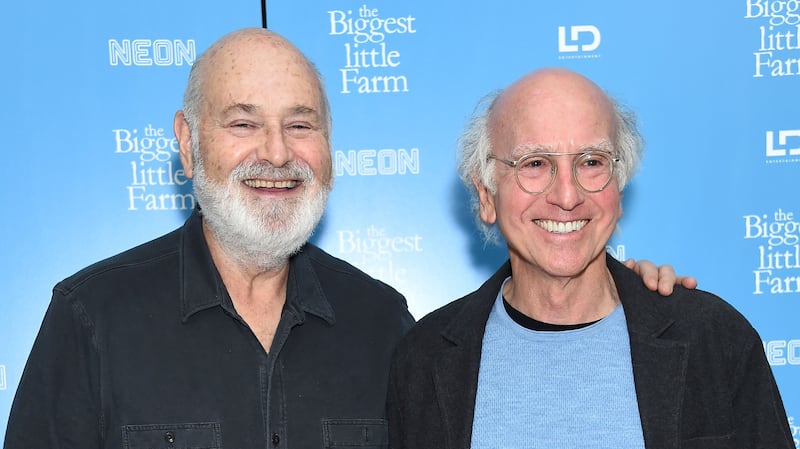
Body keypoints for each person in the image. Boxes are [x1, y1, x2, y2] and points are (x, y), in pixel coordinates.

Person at [4, 29, 691, 449]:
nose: (277, 153)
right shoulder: (92, 318)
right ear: (187, 144)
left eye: (301, 125)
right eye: (243, 123)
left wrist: (628, 292)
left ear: (330, 146)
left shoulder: (386, 326)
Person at [386, 67, 794, 448]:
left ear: (619, 188)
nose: (567, 195)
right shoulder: (423, 359)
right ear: (487, 196)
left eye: (592, 162)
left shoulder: (714, 339)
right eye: (535, 163)